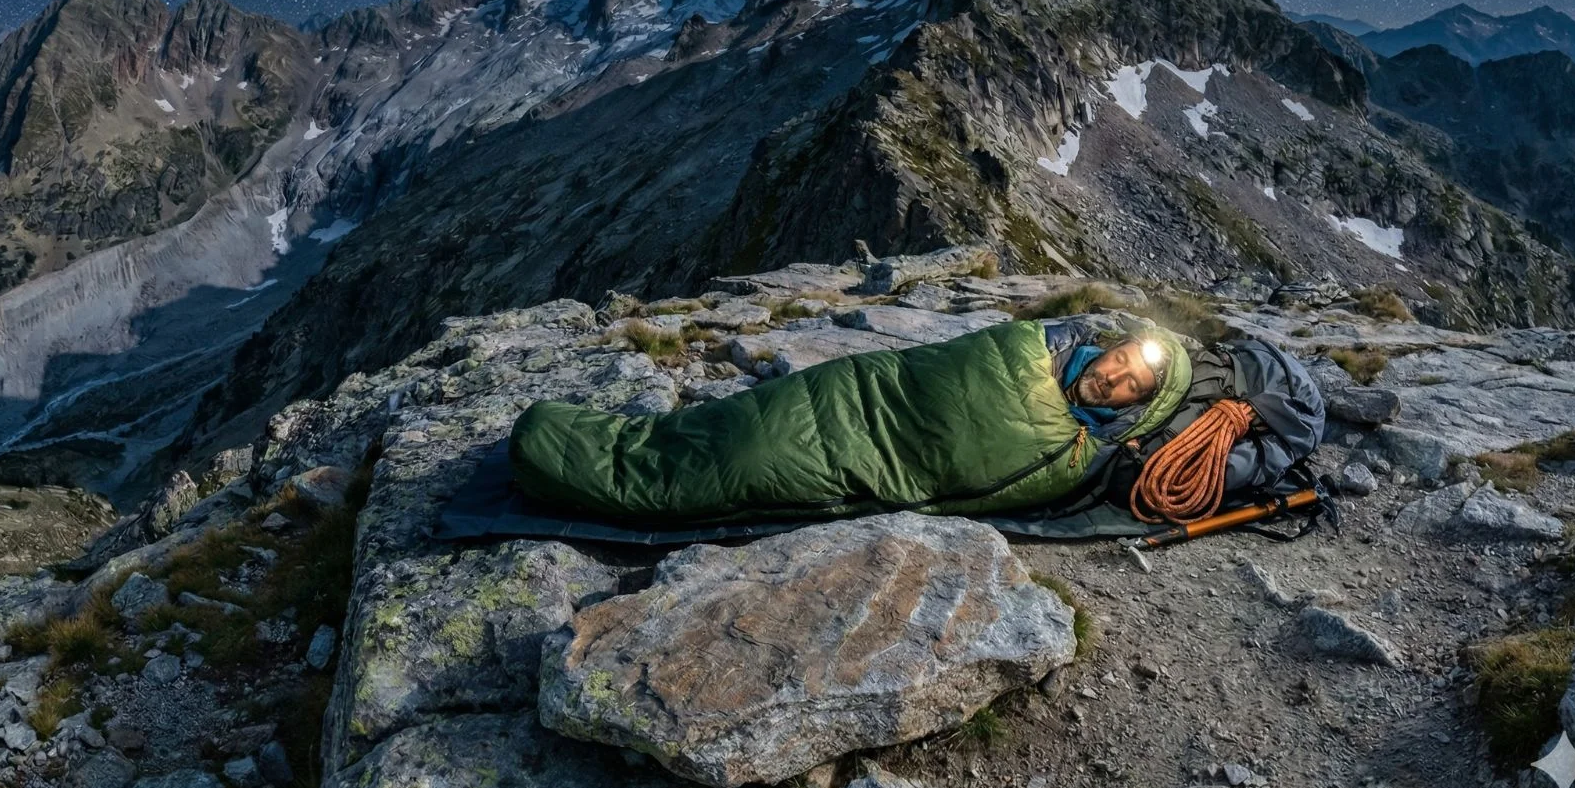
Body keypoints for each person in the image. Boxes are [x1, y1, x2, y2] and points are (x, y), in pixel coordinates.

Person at [508, 311, 1199, 526]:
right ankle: (583, 443)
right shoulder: (1034, 342)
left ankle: (564, 454)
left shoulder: (1074, 449)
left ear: (1133, 407)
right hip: (857, 390)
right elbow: (923, 369)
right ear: (1109, 346)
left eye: (1131, 388)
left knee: (745, 461)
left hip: (873, 453)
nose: (1113, 377)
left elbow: (981, 482)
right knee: (739, 426)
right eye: (1121, 361)